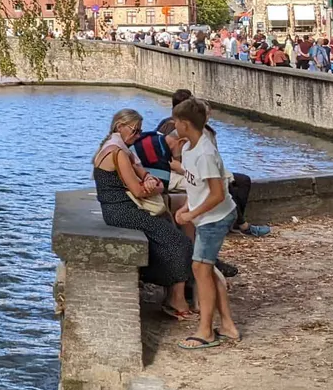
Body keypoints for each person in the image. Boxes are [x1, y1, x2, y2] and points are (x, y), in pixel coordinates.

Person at [93, 109, 193, 320]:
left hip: (114, 210)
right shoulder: (118, 154)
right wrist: (155, 187)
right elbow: (138, 191)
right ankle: (175, 298)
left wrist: (148, 178)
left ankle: (175, 294)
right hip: (123, 211)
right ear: (119, 126)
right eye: (135, 130)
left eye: (139, 131)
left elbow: (141, 173)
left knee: (168, 235)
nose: (137, 136)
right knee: (179, 241)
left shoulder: (111, 148)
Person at [170, 97, 241, 349]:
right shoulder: (189, 148)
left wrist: (191, 214)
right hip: (205, 216)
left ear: (185, 124)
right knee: (207, 269)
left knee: (200, 268)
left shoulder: (205, 153)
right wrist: (187, 208)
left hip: (216, 217)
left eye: (176, 122)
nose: (173, 125)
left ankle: (206, 330)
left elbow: (217, 193)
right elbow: (195, 186)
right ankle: (228, 326)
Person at [155, 89, 269, 238]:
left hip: (196, 169)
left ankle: (234, 223)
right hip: (181, 172)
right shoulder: (173, 130)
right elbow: (167, 158)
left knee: (242, 180)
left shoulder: (199, 132)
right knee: (224, 183)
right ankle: (240, 225)